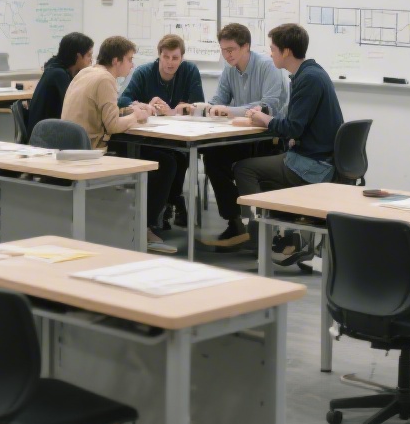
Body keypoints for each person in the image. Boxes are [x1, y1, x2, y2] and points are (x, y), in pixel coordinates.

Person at [233, 23, 344, 263]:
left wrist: (265, 119)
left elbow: (293, 127)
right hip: (316, 157)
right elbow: (297, 123)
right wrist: (274, 122)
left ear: (285, 52)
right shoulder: (311, 73)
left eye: (273, 49)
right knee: (269, 161)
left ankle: (259, 238)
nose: (270, 53)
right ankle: (285, 236)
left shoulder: (308, 79)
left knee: (244, 168)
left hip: (313, 165)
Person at [62, 36, 177, 254]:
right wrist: (137, 116)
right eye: (129, 59)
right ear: (116, 61)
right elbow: (113, 125)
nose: (132, 64)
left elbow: (106, 113)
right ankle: (144, 228)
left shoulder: (87, 72)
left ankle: (138, 223)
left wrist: (131, 111)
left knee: (158, 158)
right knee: (165, 163)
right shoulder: (106, 80)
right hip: (93, 151)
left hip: (75, 146)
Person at [195, 23, 288, 249]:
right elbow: (219, 100)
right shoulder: (230, 68)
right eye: (223, 50)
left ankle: (254, 227)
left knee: (232, 163)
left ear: (246, 46)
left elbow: (269, 106)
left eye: (231, 50)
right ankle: (235, 222)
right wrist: (204, 108)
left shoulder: (268, 67)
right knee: (213, 158)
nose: (227, 55)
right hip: (244, 136)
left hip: (270, 138)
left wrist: (230, 110)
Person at [117, 33, 204, 228]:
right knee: (168, 160)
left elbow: (197, 105)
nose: (170, 63)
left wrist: (173, 111)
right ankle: (171, 203)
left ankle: (170, 202)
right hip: (150, 137)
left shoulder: (189, 71)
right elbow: (122, 100)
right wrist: (144, 105)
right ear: (159, 56)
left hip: (181, 135)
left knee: (181, 157)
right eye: (166, 57)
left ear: (182, 58)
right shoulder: (143, 72)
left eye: (175, 58)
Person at [27, 32, 94, 136]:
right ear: (78, 56)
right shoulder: (59, 75)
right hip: (47, 135)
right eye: (89, 55)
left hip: (46, 131)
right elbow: (73, 107)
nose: (91, 60)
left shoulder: (55, 69)